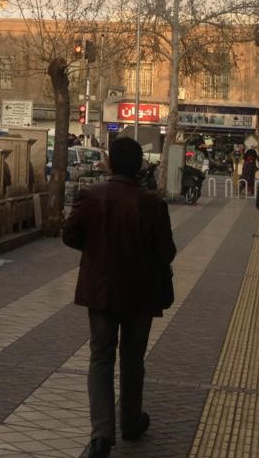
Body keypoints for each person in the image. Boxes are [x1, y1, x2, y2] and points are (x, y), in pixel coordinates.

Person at [63, 136, 176, 458]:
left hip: (100, 291)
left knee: (100, 359)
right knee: (132, 360)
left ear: (109, 163)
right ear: (140, 166)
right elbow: (166, 252)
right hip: (141, 293)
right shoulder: (153, 203)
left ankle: (101, 435)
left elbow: (69, 235)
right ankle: (130, 421)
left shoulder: (91, 195)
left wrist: (98, 250)